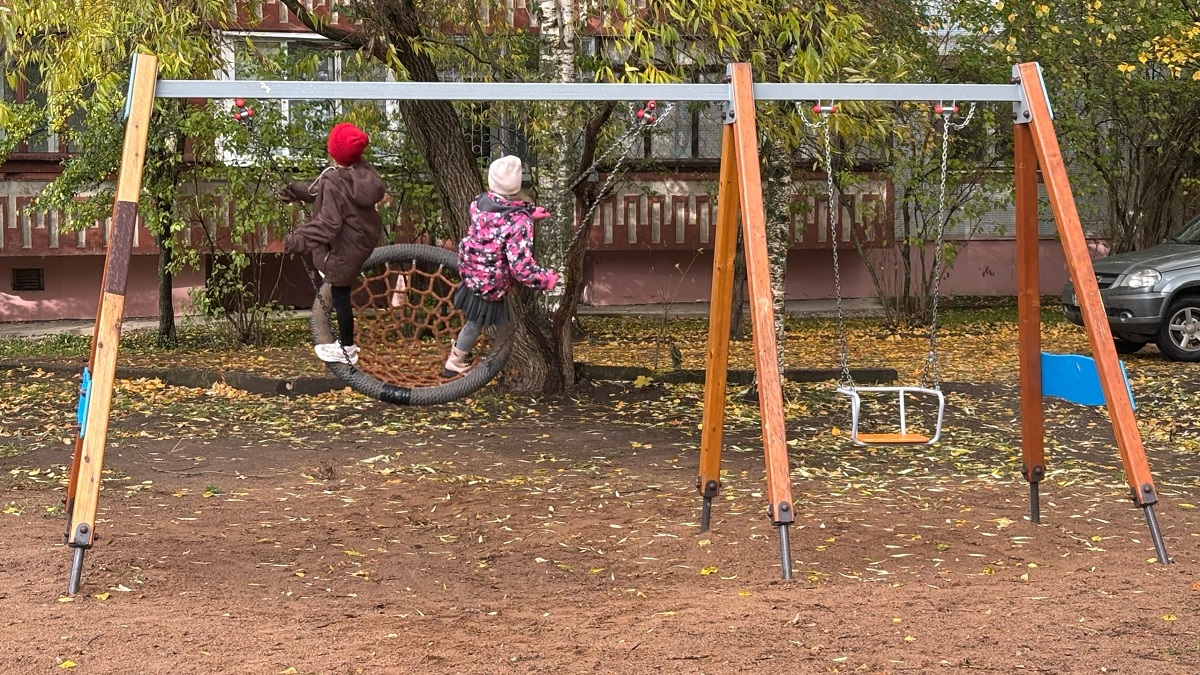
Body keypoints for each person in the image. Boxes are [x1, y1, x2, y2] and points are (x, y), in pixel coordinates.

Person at [280, 122, 386, 365]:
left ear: (334, 153)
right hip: (360, 241)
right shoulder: (361, 172)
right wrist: (298, 192)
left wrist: (298, 240)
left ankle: (347, 347)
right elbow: (324, 195)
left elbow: (329, 225)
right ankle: (346, 344)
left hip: (345, 248)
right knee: (336, 284)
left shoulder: (334, 180)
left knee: (340, 296)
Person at [443, 155, 558, 377]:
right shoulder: (519, 223)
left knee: (474, 321)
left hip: (471, 270)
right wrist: (545, 280)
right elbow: (521, 266)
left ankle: (460, 354)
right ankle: (454, 361)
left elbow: (499, 217)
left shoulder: (479, 203)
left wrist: (528, 212)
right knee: (474, 323)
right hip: (490, 282)